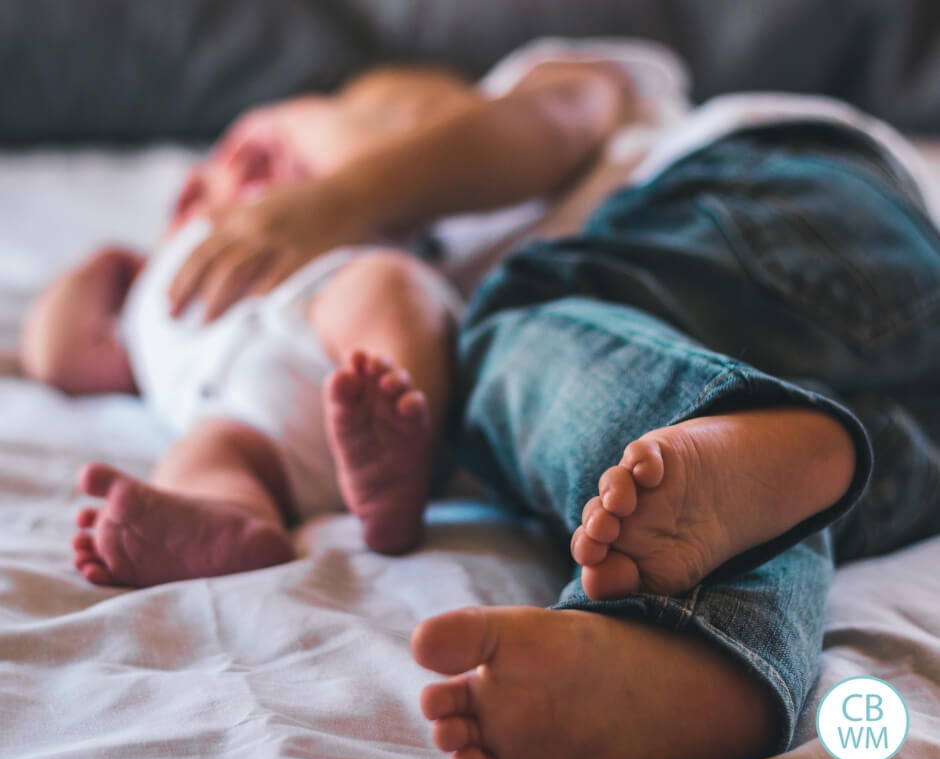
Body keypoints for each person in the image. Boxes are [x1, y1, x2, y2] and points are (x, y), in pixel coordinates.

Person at [408, 94, 940, 759]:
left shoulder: (610, 96)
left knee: (505, 325)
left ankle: (726, 435)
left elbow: (559, 109)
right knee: (779, 503)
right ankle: (705, 659)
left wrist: (321, 201)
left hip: (779, 187)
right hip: (885, 297)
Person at [19, 59, 637, 587]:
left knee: (387, 294)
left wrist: (349, 192)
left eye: (415, 131)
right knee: (211, 456)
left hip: (331, 334)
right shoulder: (172, 251)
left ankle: (398, 444)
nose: (414, 135)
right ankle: (225, 520)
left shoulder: (402, 227)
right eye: (392, 116)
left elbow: (554, 115)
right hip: (237, 410)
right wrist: (87, 292)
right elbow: (70, 354)